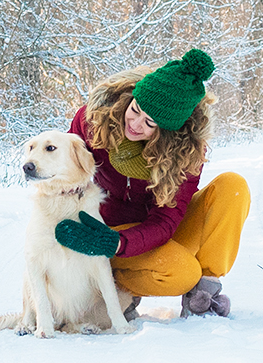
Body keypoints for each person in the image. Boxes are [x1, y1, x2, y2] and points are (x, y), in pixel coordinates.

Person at [55, 49, 251, 319]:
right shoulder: (94, 120)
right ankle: (115, 285)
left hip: (143, 235)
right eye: (135, 109)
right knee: (181, 273)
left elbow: (166, 221)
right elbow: (63, 165)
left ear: (169, 131)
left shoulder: (186, 153)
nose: (134, 124)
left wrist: (119, 244)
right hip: (106, 229)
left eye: (150, 123)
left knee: (233, 186)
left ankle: (203, 293)